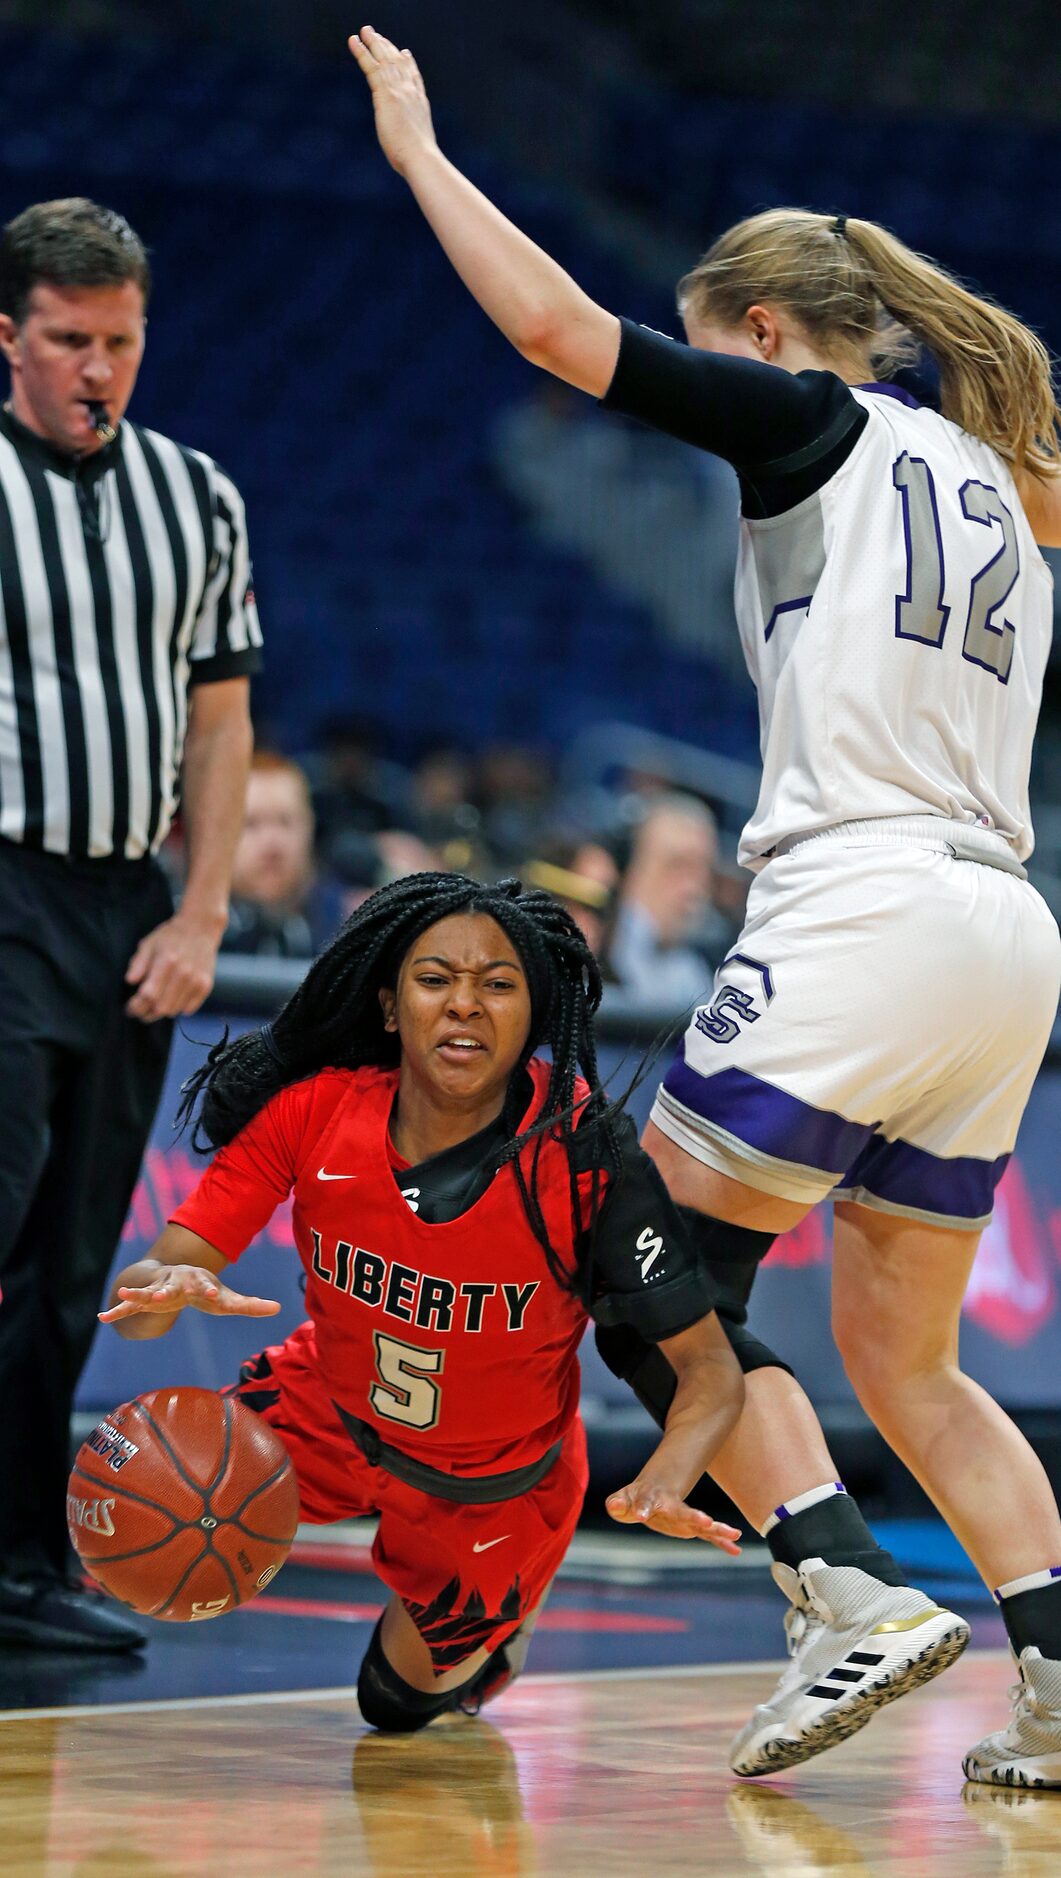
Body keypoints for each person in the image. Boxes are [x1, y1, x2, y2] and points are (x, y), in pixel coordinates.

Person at [348, 29, 1061, 1785]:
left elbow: (549, 330)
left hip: (870, 901)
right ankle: (1053, 1675)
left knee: (628, 1256)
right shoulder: (1001, 481)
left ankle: (842, 1585)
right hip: (1007, 925)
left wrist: (422, 152)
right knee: (910, 1359)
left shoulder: (807, 417)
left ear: (757, 331)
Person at [99, 872, 744, 1728]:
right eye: (436, 980)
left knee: (393, 1705)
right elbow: (142, 1304)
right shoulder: (313, 1114)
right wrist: (162, 1289)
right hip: (328, 1415)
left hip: (495, 1484)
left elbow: (710, 1369)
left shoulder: (585, 1153)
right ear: (392, 1007)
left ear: (535, 1012)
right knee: (147, 1523)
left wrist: (665, 1479)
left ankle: (502, 1631)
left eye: (498, 985)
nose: (465, 1006)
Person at [0, 197, 259, 1652]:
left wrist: (206, 909)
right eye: (69, 339)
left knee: (73, 1258)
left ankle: (24, 1559)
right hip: (4, 877)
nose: (99, 367)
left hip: (127, 903)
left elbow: (220, 724)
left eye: (122, 340)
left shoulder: (199, 497)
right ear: (9, 339)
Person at [222, 750, 346, 957]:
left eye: (285, 822)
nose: (273, 844)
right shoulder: (178, 934)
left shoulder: (351, 925)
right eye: (251, 824)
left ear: (310, 828)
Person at [608, 794, 730, 1004]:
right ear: (629, 870)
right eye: (677, 866)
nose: (694, 889)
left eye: (705, 869)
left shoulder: (694, 972)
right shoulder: (595, 947)